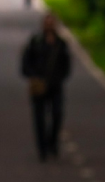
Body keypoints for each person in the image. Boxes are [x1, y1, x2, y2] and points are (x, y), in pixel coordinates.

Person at [20, 13, 71, 161]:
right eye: (47, 23)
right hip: (39, 86)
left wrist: (59, 78)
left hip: (55, 86)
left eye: (52, 23)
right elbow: (25, 63)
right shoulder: (35, 41)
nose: (49, 26)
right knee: (39, 119)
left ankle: (52, 142)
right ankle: (42, 149)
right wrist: (33, 76)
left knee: (57, 114)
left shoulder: (61, 44)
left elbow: (66, 65)